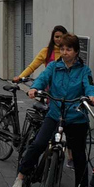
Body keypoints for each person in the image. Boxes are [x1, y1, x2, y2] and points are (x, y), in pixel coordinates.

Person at [10, 33, 94, 187]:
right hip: (55, 113)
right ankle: (21, 176)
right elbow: (42, 79)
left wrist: (93, 96)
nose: (65, 52)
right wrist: (35, 88)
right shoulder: (53, 67)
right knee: (38, 144)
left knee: (79, 154)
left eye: (69, 49)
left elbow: (89, 86)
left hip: (76, 117)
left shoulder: (84, 70)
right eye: (62, 49)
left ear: (76, 51)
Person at [13, 25, 69, 166]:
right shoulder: (47, 52)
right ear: (53, 37)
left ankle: (68, 156)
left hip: (65, 93)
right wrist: (20, 77)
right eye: (56, 37)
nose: (59, 40)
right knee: (52, 122)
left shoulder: (68, 54)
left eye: (62, 37)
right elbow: (33, 66)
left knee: (65, 123)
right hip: (49, 93)